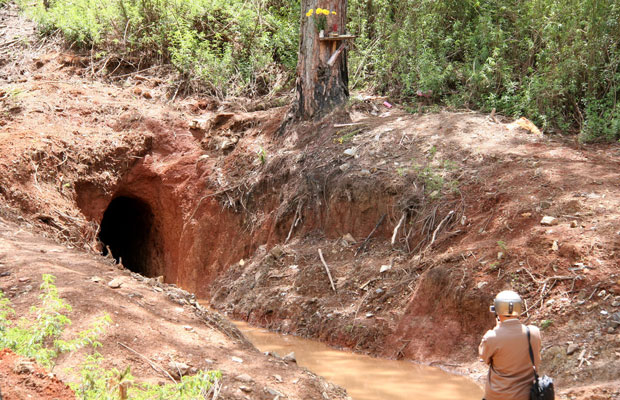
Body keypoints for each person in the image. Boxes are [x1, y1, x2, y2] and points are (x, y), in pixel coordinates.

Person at [479, 290, 542, 400]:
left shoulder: (492, 337)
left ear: (497, 311)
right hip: (527, 395)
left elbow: (485, 358)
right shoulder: (533, 332)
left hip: (497, 396)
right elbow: (536, 360)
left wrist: (497, 329)